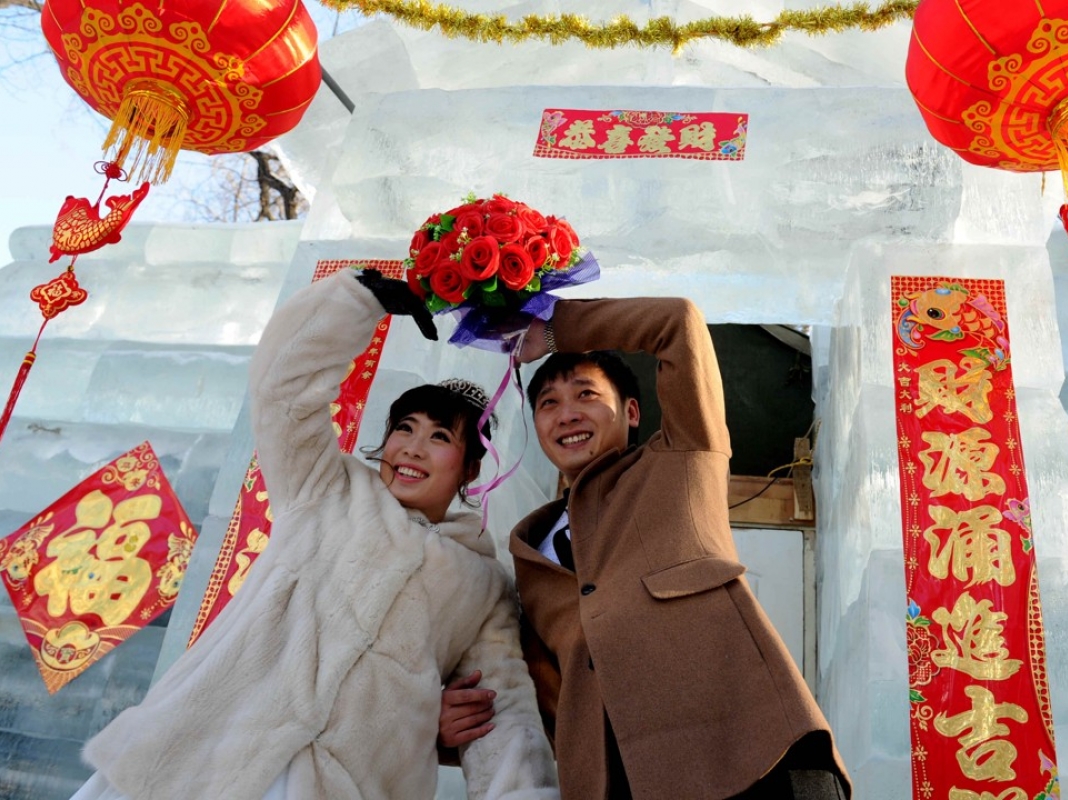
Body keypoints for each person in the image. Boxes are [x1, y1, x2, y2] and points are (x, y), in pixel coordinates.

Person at [72, 267, 559, 800]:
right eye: (404, 428)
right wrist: (360, 299)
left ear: (470, 468)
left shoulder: (483, 585)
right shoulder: (326, 488)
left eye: (440, 437)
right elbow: (283, 388)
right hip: (202, 754)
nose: (412, 449)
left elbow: (503, 713)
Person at [442, 297, 851, 799]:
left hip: (754, 756)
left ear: (632, 412)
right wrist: (443, 732)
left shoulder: (682, 458)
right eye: (548, 403)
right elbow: (538, 696)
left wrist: (550, 331)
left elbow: (677, 323)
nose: (566, 414)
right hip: (621, 782)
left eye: (586, 393)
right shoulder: (528, 552)